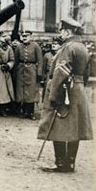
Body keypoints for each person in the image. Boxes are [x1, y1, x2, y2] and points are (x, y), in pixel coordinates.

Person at [38, 18, 93, 173]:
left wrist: (54, 96)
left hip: (65, 91)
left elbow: (60, 73)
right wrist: (80, 86)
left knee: (58, 126)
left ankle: (60, 163)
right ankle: (70, 163)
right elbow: (87, 73)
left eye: (61, 30)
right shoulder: (82, 47)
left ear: (67, 31)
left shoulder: (67, 48)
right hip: (78, 90)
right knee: (75, 128)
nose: (60, 33)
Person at [13, 30, 43, 120]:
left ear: (31, 37)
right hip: (21, 71)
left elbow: (40, 61)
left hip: (31, 70)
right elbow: (16, 61)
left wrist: (39, 73)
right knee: (21, 91)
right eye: (23, 36)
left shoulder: (35, 46)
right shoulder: (19, 47)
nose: (25, 37)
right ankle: (23, 111)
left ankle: (30, 112)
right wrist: (15, 72)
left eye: (27, 36)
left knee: (30, 92)